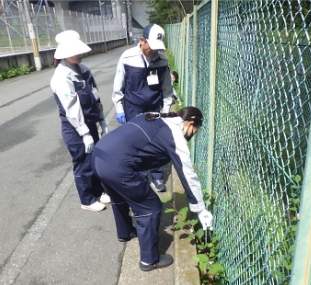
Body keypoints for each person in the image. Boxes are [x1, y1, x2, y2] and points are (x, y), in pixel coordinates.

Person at [91, 106, 213, 271]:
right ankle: (149, 260)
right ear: (190, 124)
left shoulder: (155, 117)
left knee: (120, 196)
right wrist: (199, 209)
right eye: (194, 131)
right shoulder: (175, 135)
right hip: (116, 165)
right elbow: (187, 173)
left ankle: (125, 232)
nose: (192, 136)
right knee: (150, 206)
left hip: (99, 155)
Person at [50, 30, 111, 212]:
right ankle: (87, 199)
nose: (80, 55)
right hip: (74, 129)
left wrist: (102, 120)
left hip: (90, 122)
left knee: (95, 159)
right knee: (83, 162)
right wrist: (84, 133)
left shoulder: (84, 71)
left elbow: (95, 95)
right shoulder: (61, 77)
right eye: (75, 52)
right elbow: (72, 108)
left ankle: (99, 191)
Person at [112, 23, 175, 193]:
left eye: (158, 48)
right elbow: (119, 85)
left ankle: (157, 176)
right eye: (152, 47)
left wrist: (166, 110)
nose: (154, 52)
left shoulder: (161, 61)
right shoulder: (127, 57)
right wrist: (119, 108)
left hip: (154, 108)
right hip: (132, 108)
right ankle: (139, 177)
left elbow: (167, 90)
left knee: (156, 143)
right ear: (142, 41)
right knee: (135, 144)